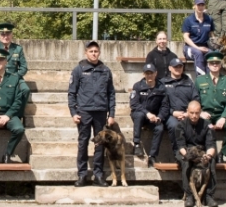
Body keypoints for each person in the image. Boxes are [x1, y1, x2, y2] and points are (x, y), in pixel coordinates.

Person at [68, 41, 117, 186]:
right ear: (86, 53)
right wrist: (73, 112)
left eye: (96, 51)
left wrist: (112, 114)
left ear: (99, 53)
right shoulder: (78, 70)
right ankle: (82, 175)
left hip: (101, 112)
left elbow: (111, 94)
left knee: (100, 144)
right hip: (84, 112)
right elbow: (71, 93)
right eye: (91, 51)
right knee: (83, 143)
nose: (94, 53)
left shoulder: (106, 71)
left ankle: (98, 175)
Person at [174, 101, 218, 207]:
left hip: (202, 151)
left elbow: (211, 145)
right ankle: (189, 195)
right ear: (187, 112)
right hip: (186, 151)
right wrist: (189, 157)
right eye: (192, 113)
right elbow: (181, 146)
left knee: (211, 162)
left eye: (197, 113)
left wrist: (208, 156)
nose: (194, 116)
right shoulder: (180, 125)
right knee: (186, 163)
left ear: (200, 112)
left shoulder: (207, 125)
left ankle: (208, 195)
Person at [195, 51, 226, 159]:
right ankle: (208, 153)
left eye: (217, 63)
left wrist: (224, 117)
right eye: (212, 63)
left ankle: (222, 153)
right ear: (208, 65)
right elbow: (195, 99)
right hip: (206, 114)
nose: (215, 65)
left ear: (221, 64)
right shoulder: (200, 80)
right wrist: (200, 112)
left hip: (221, 113)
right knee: (207, 128)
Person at [158, 58, 197, 165]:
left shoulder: (189, 82)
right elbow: (159, 102)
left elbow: (196, 99)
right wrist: (172, 112)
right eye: (175, 67)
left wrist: (188, 113)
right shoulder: (162, 83)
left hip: (188, 114)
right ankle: (178, 154)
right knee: (175, 126)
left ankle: (194, 154)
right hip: (170, 114)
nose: (178, 69)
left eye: (180, 66)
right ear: (170, 68)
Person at [129, 63, 166, 166]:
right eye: (147, 73)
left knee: (160, 127)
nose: (149, 75)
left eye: (151, 73)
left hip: (153, 116)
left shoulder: (161, 87)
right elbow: (134, 104)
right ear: (143, 74)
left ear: (156, 73)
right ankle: (136, 144)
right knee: (139, 115)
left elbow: (165, 106)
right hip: (140, 114)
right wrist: (147, 113)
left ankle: (153, 156)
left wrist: (160, 117)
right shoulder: (138, 86)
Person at [181, 0, 214, 72]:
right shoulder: (188, 20)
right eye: (198, 5)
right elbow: (186, 37)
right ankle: (201, 81)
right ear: (194, 6)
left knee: (212, 54)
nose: (201, 7)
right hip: (190, 47)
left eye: (202, 5)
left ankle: (210, 79)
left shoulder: (209, 19)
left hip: (204, 46)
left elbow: (211, 35)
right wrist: (198, 48)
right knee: (198, 53)